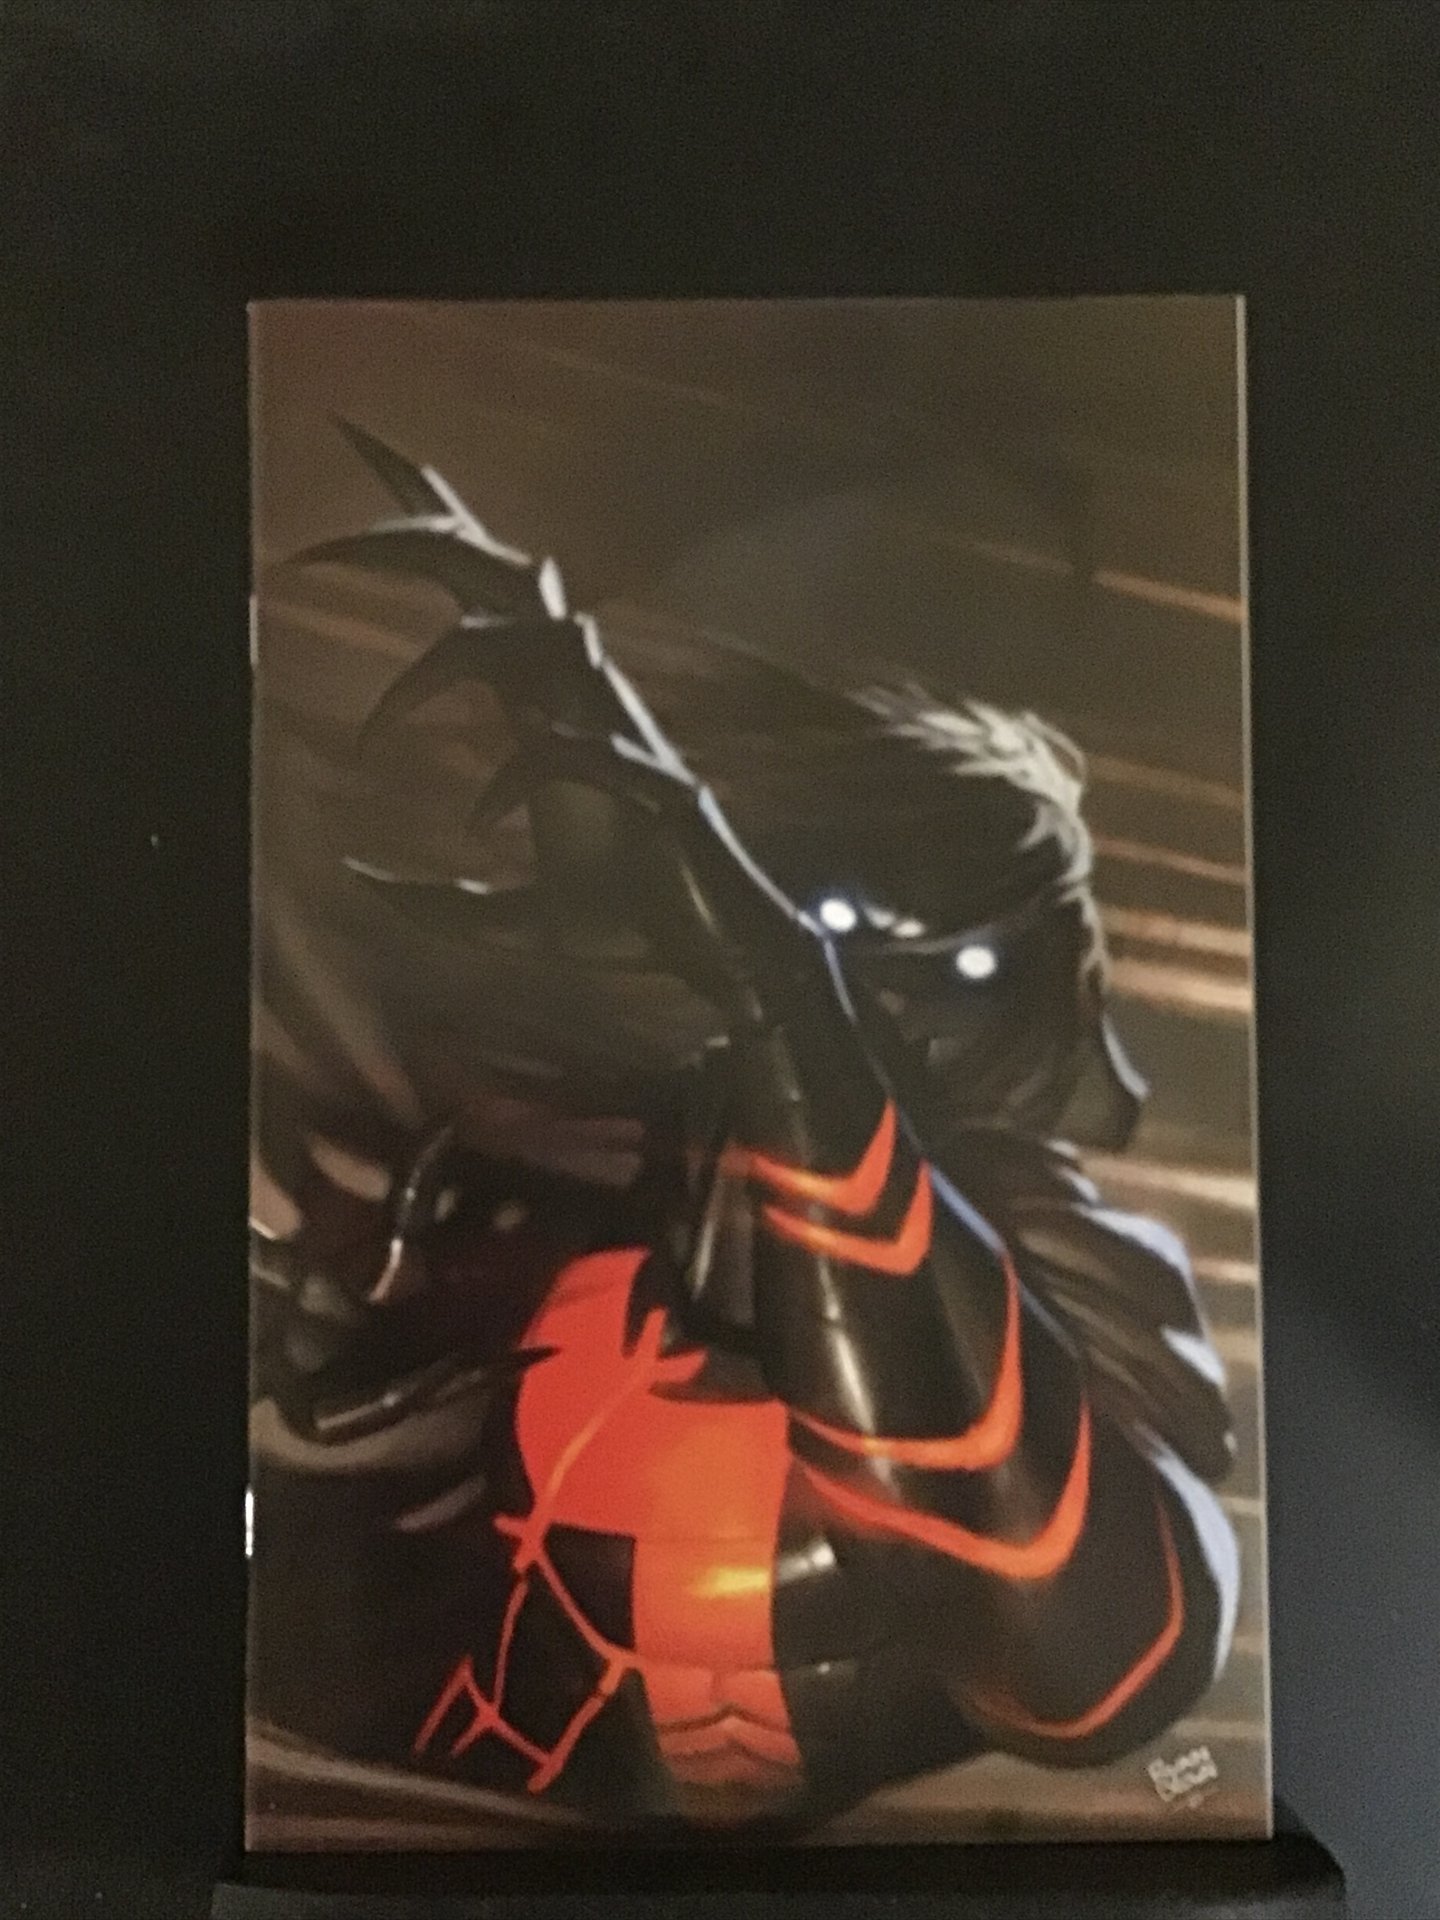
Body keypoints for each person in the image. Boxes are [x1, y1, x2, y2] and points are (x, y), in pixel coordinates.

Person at [248, 428, 1237, 1833]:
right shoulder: (617, 1191)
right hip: (447, 1809)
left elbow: (1094, 1660)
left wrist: (791, 1018)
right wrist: (337, 1339)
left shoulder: (1043, 1257)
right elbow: (470, 1455)